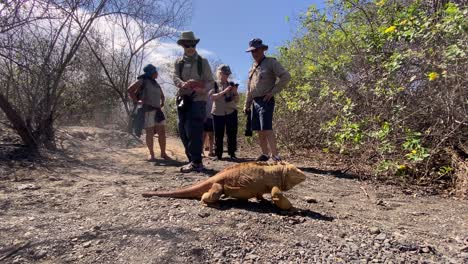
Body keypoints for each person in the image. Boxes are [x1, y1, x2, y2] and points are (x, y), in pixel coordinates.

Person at [243, 38, 291, 162]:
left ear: (263, 49)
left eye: (257, 50)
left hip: (266, 100)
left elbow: (286, 76)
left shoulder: (271, 62)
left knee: (267, 128)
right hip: (255, 102)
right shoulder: (251, 68)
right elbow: (249, 88)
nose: (255, 53)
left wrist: (273, 92)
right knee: (259, 130)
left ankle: (275, 156)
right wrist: (246, 104)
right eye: (252, 51)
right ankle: (265, 154)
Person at [173, 31, 214, 172]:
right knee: (182, 129)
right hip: (183, 99)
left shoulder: (203, 62)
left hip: (198, 100)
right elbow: (175, 77)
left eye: (192, 44)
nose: (189, 46)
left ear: (195, 45)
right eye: (186, 44)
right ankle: (191, 160)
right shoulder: (179, 62)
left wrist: (200, 87)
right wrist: (182, 84)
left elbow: (210, 81)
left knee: (194, 130)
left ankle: (197, 162)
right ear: (182, 45)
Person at [127, 64, 170, 161]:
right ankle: (151, 154)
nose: (157, 73)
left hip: (158, 111)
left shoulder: (156, 84)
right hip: (147, 110)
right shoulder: (143, 81)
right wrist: (136, 101)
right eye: (156, 72)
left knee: (162, 132)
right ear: (152, 72)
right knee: (150, 132)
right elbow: (130, 90)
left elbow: (162, 95)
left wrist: (162, 102)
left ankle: (163, 153)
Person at [210, 64, 239, 161]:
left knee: (232, 133)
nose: (226, 76)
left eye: (228, 74)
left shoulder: (231, 84)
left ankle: (232, 153)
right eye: (225, 73)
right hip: (217, 112)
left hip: (231, 111)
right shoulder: (214, 84)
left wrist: (234, 91)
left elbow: (236, 100)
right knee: (218, 134)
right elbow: (212, 97)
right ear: (220, 73)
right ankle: (218, 155)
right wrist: (224, 91)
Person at [203, 90, 215, 157]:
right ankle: (201, 151)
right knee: (203, 135)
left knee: (211, 135)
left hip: (212, 118)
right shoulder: (205, 99)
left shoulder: (216, 99)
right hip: (205, 118)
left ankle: (211, 152)